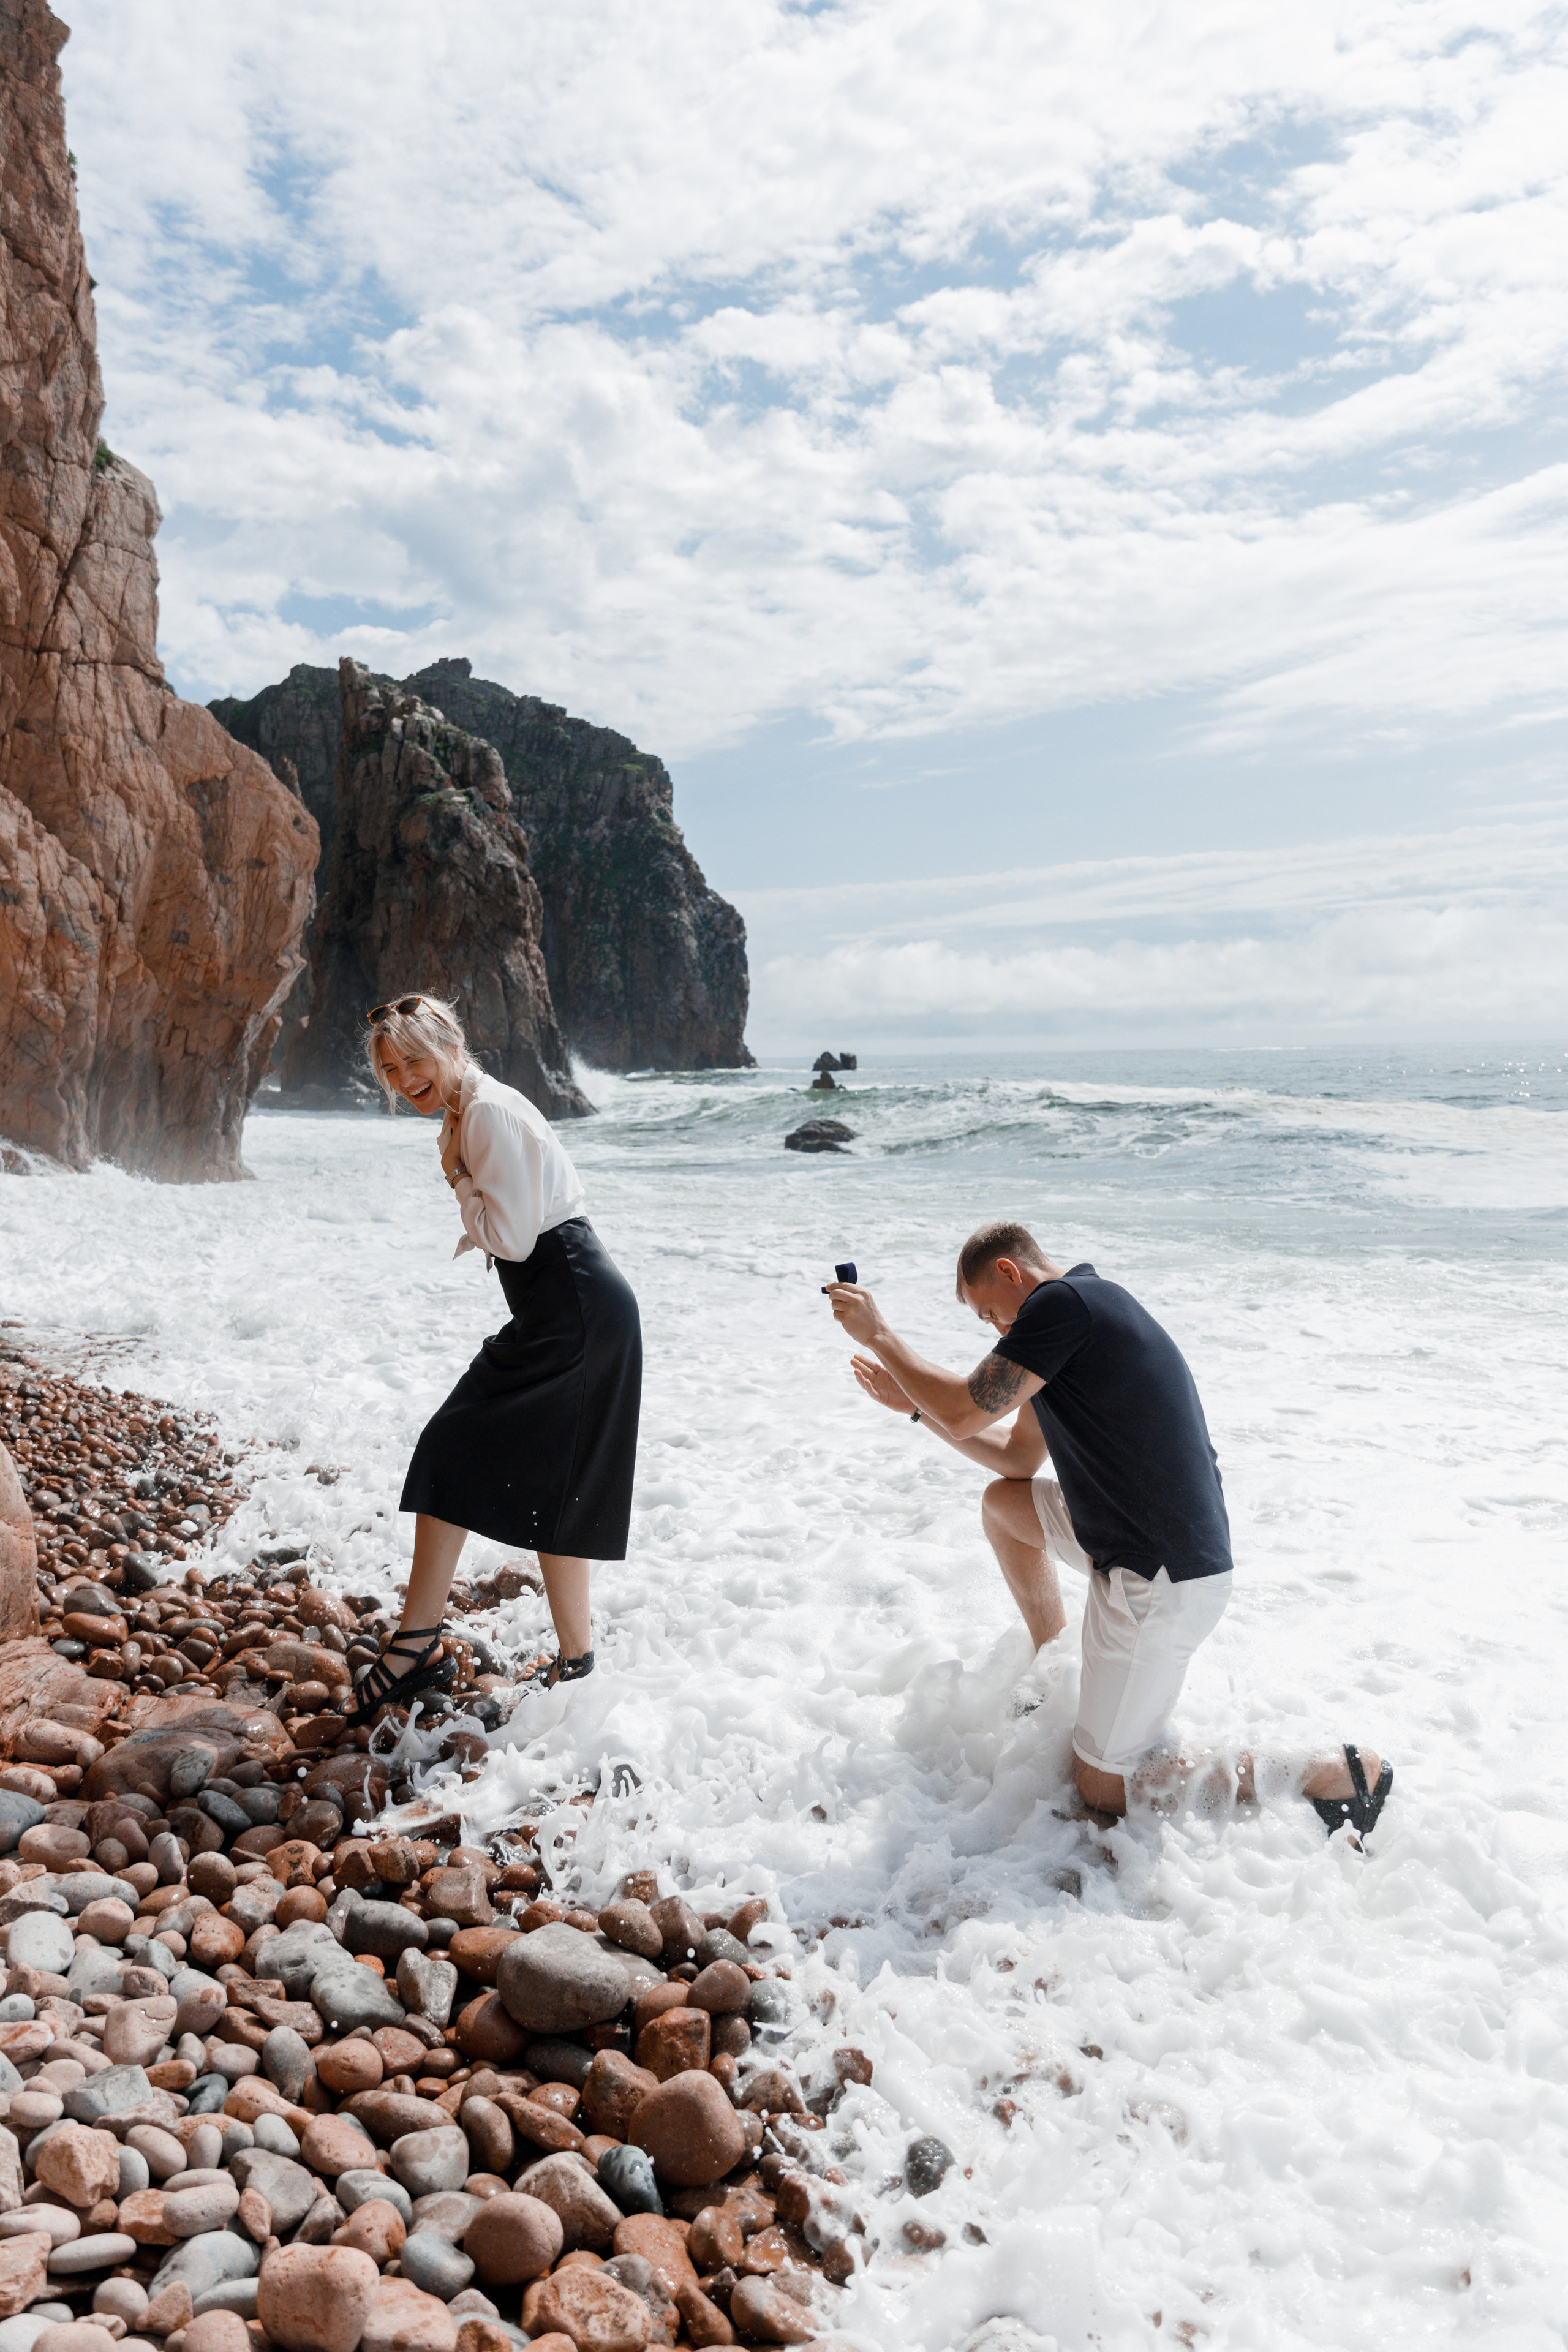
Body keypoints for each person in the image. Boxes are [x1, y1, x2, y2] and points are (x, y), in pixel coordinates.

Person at [831, 1221, 1392, 1841]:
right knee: (1004, 1507)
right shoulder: (1074, 1325)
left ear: (1010, 1272)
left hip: (1160, 1576)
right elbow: (1016, 1460)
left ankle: (1335, 1773)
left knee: (1104, 1787)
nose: (995, 1331)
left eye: (990, 1313)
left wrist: (879, 1334)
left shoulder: (1061, 1306)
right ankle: (1054, 1667)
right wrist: (918, 1408)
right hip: (1132, 1541)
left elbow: (965, 1410)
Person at [350, 994, 641, 1720]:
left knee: (448, 1447)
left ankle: (416, 1645)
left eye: (414, 1060)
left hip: (571, 1310)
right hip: (572, 1308)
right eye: (391, 1071)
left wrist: (457, 1180)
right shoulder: (471, 1111)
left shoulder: (482, 1114)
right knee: (557, 1484)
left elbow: (510, 1239)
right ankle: (578, 1663)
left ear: (451, 1047)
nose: (405, 1079)